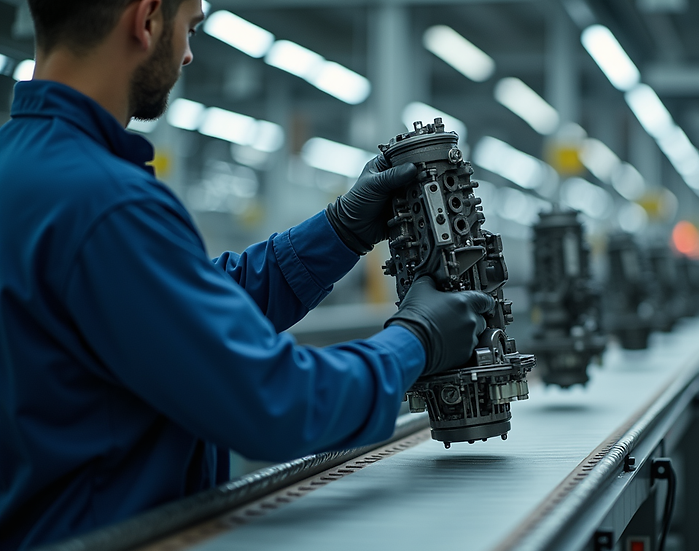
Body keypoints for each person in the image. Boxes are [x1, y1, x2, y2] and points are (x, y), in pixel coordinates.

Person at [0, 0, 494, 548]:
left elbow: (183, 315)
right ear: (146, 20)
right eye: (189, 28)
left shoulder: (23, 170)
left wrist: (340, 230)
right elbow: (274, 402)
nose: (187, 55)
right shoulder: (105, 204)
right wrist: (415, 341)